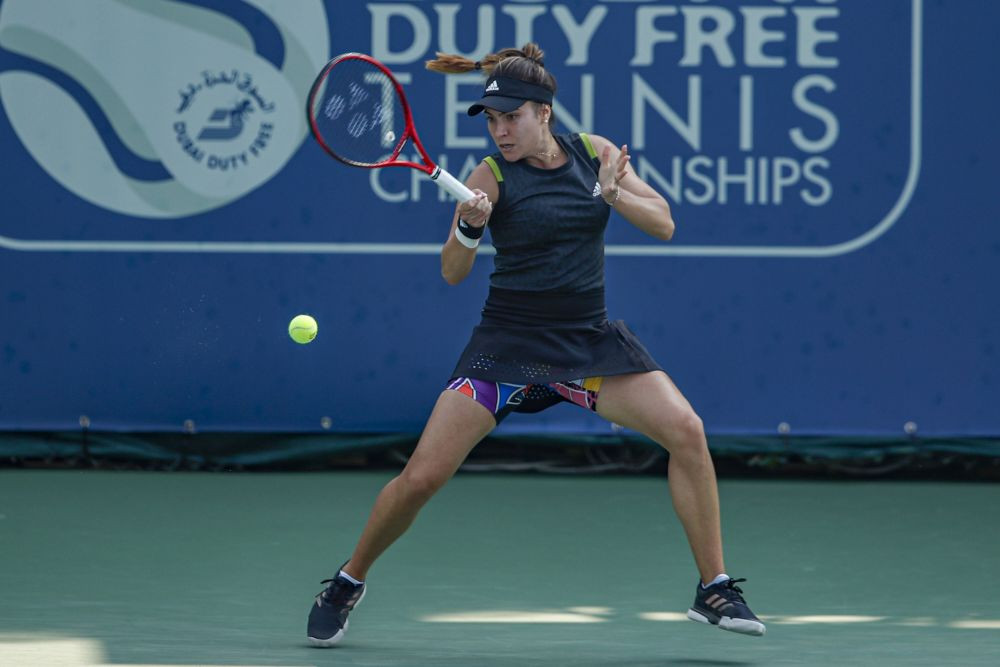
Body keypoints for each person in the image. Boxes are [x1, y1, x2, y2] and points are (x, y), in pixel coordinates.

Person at [307, 43, 765, 647]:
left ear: (544, 112)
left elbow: (664, 221)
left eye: (512, 118)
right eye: (492, 121)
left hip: (586, 346)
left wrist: (612, 194)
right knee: (421, 478)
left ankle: (714, 588)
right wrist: (470, 228)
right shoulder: (488, 176)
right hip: (506, 349)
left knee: (687, 430)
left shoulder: (594, 153)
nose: (501, 131)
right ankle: (347, 580)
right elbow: (451, 273)